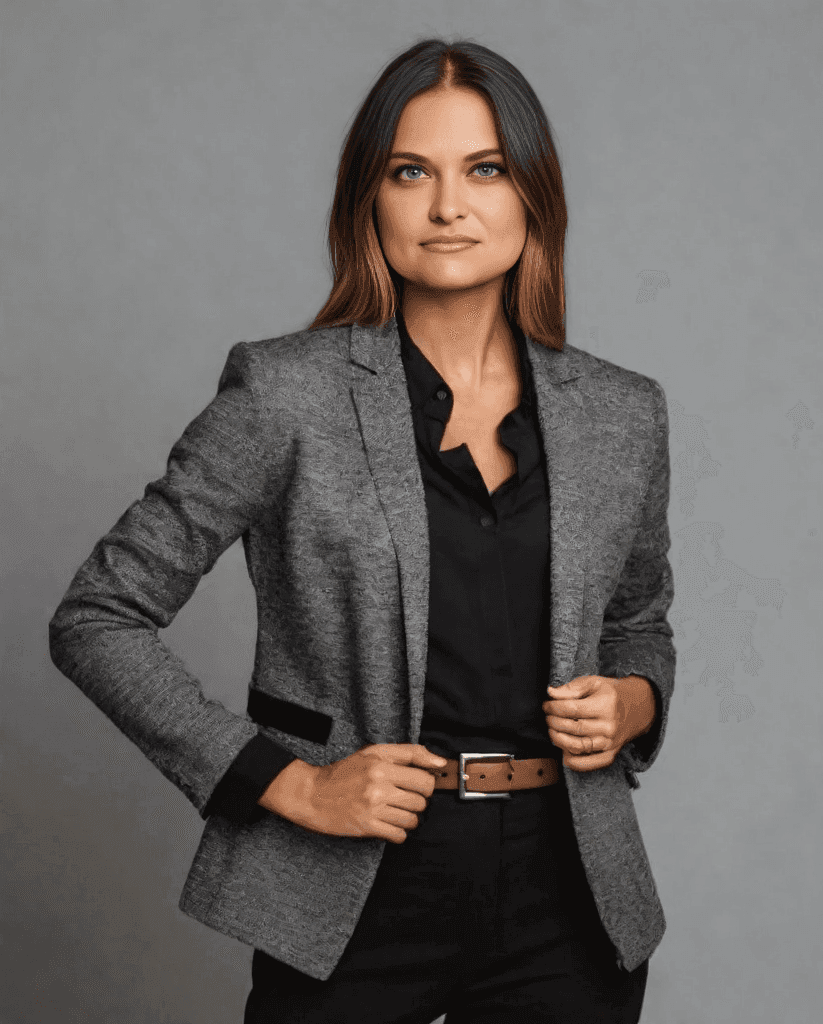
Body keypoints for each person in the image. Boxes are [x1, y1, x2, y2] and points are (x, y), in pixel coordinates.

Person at [48, 37, 676, 1023]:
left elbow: (639, 618)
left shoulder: (621, 413)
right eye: (410, 170)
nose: (446, 207)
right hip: (350, 892)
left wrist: (632, 701)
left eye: (485, 170)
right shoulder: (283, 395)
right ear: (367, 199)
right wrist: (287, 783)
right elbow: (97, 616)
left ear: (533, 198)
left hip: (569, 894)